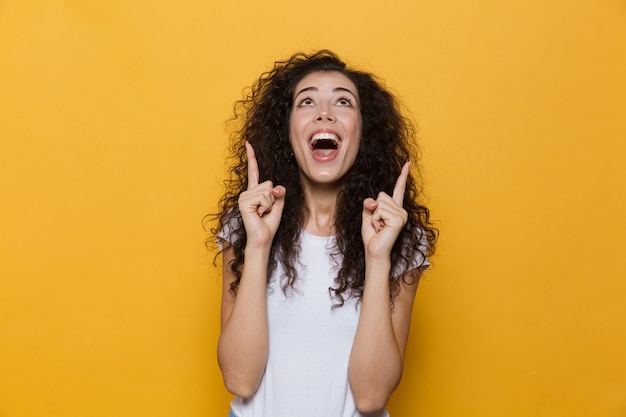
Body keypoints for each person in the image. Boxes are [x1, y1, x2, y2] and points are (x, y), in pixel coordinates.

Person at [211, 50, 437, 417]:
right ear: (287, 131)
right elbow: (239, 378)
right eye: (307, 101)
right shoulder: (246, 226)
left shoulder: (401, 239)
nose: (324, 113)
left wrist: (378, 258)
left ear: (364, 132)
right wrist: (258, 245)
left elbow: (371, 396)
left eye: (343, 102)